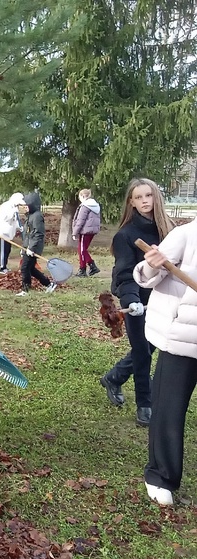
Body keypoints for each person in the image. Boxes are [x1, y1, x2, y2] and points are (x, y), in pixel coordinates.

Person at [100, 178, 174, 428]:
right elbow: (124, 273)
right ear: (131, 202)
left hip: (162, 299)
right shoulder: (126, 235)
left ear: (156, 197)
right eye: (139, 197)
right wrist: (131, 301)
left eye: (148, 196)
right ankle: (146, 404)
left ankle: (114, 377)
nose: (145, 201)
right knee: (142, 351)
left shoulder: (168, 230)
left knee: (151, 346)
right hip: (136, 302)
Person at [133, 218, 197, 505]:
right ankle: (161, 476)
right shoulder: (187, 234)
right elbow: (144, 276)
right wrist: (152, 263)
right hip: (184, 338)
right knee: (169, 409)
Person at [16, 191, 57, 296]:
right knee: (31, 269)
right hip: (28, 247)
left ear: (32, 205)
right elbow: (28, 234)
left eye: (26, 205)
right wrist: (24, 247)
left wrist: (31, 248)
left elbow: (38, 234)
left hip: (33, 247)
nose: (24, 207)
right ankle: (49, 284)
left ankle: (25, 290)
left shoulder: (37, 216)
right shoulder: (30, 215)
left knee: (25, 268)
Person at [72, 188, 102, 277]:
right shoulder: (95, 205)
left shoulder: (85, 206)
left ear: (83, 196)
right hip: (91, 231)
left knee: (82, 250)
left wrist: (75, 232)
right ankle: (84, 268)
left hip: (85, 231)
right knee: (82, 250)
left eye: (79, 197)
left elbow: (80, 220)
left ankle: (89, 267)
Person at [0, 192, 25, 274]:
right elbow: (5, 218)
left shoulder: (15, 207)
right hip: (3, 232)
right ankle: (2, 267)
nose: (19, 205)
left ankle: (5, 266)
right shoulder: (5, 206)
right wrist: (13, 212)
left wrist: (19, 228)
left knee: (8, 250)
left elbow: (15, 220)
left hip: (9, 232)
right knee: (3, 250)